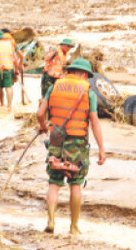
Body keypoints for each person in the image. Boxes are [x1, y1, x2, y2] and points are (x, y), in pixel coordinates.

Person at [37, 59, 106, 235]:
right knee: (75, 184)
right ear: (83, 74)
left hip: (56, 140)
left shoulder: (54, 86)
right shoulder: (88, 92)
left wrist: (43, 126)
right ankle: (74, 227)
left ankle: (51, 221)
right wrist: (101, 149)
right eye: (87, 76)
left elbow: (40, 113)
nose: (87, 80)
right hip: (77, 143)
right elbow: (94, 122)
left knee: (54, 183)